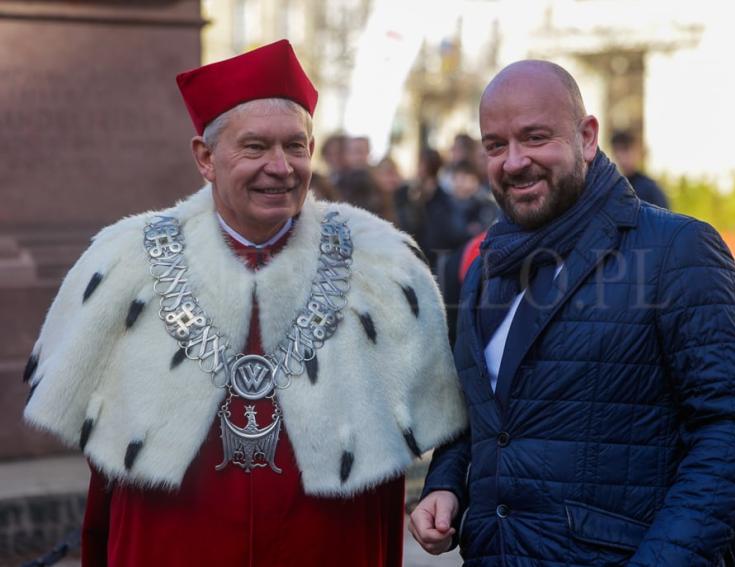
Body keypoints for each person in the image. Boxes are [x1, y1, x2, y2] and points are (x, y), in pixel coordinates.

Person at [22, 39, 467, 567]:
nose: (280, 167)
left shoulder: (384, 265)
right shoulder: (126, 264)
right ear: (205, 158)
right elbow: (105, 465)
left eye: (296, 146)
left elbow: (444, 418)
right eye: (255, 147)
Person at [409, 59, 735, 566]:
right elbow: (479, 416)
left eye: (535, 137)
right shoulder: (487, 264)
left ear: (586, 138)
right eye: (496, 145)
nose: (514, 161)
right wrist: (447, 484)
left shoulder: (678, 248)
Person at [610, 129, 669, 208]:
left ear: (637, 152)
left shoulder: (650, 189)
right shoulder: (611, 188)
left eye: (626, 150)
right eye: (617, 151)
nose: (622, 158)